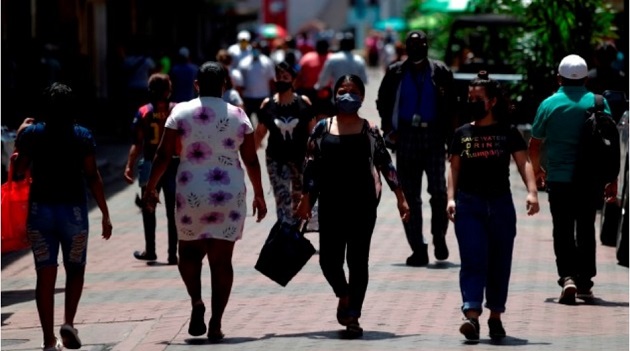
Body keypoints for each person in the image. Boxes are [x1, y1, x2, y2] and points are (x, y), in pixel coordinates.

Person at [142, 61, 267, 342]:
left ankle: (196, 301)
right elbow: (250, 159)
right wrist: (259, 194)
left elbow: (162, 155)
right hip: (229, 195)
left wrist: (151, 188)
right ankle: (216, 322)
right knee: (222, 262)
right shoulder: (238, 115)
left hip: (191, 193)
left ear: (196, 85)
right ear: (225, 85)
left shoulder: (181, 112)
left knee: (188, 254)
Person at [296, 74, 410, 338]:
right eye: (343, 90)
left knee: (358, 261)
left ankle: (353, 316)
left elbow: (385, 164)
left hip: (362, 204)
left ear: (362, 97)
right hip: (331, 204)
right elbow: (311, 165)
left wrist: (400, 198)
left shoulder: (369, 130)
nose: (348, 95)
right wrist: (305, 200)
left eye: (354, 91)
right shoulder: (322, 128)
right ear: (335, 95)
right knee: (328, 261)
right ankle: (344, 294)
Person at [14, 83, 113, 350]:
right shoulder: (82, 135)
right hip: (74, 213)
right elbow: (92, 176)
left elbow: (19, 171)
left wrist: (21, 135)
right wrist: (104, 212)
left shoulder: (33, 134)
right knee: (75, 269)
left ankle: (48, 340)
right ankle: (68, 322)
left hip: (40, 213)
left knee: (45, 275)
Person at [446, 71, 540, 341]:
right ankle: (472, 316)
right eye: (470, 97)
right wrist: (451, 198)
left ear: (493, 101)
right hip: (469, 204)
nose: (473, 101)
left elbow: (524, 162)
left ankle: (495, 316)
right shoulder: (461, 133)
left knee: (499, 262)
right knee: (473, 260)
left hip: (500, 204)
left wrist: (532, 193)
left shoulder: (507, 132)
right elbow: (453, 167)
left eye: (479, 98)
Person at [528, 54, 615, 305]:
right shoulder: (600, 103)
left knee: (562, 229)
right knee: (586, 228)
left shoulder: (549, 104)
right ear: (586, 78)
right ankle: (585, 282)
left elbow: (534, 144)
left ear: (558, 78)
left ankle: (568, 277)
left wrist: (537, 171)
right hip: (591, 180)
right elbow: (609, 146)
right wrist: (612, 179)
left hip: (559, 178)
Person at [376, 30, 456, 266]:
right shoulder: (395, 72)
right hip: (405, 137)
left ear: (427, 45)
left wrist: (452, 140)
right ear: (405, 47)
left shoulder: (440, 71)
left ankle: (439, 237)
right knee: (409, 196)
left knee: (439, 192)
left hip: (433, 135)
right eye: (411, 44)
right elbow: (382, 101)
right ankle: (418, 248)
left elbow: (452, 107)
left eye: (420, 43)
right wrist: (388, 130)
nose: (416, 47)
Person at [123, 73, 179, 264]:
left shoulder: (144, 112)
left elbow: (137, 144)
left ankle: (151, 250)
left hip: (149, 164)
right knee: (173, 211)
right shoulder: (177, 110)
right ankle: (173, 254)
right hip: (173, 163)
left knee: (149, 208)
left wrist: (129, 166)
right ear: (167, 91)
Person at [254, 61, 316, 225]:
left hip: (300, 159)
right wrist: (249, 155)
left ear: (293, 80)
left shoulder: (303, 103)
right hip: (276, 159)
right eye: (278, 77)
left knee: (298, 199)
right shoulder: (268, 104)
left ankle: (294, 235)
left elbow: (314, 132)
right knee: (282, 198)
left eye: (286, 77)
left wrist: (317, 156)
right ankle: (284, 234)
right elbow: (260, 132)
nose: (281, 80)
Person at [235, 41, 276, 121]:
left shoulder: (267, 62)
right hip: (248, 98)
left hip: (263, 97)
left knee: (263, 121)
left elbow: (271, 80)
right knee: (246, 121)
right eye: (254, 49)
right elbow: (239, 82)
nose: (255, 50)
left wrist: (273, 95)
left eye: (257, 49)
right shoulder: (243, 63)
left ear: (260, 50)